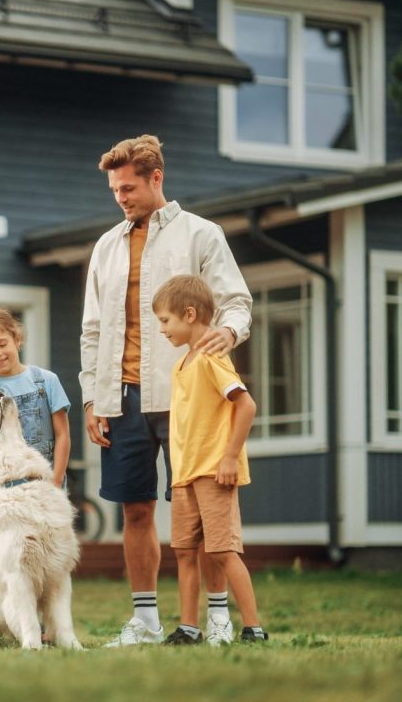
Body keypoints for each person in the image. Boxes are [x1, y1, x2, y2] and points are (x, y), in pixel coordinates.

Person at [80, 135, 253, 646]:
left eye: (128, 187)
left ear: (157, 178)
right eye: (114, 189)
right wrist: (93, 397)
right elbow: (92, 329)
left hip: (190, 400)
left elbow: (236, 301)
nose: (121, 197)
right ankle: (146, 622)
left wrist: (232, 330)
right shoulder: (105, 246)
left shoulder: (202, 234)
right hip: (121, 398)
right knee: (135, 509)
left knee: (203, 515)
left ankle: (216, 618)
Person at [152, 275, 267, 645]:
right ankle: (188, 628)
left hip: (214, 472)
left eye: (165, 321)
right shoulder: (182, 364)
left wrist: (230, 457)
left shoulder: (211, 357)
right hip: (184, 474)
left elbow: (246, 405)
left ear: (189, 314)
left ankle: (253, 628)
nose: (162, 329)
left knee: (222, 551)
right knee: (185, 552)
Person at [0, 308, 71, 489]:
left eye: (2, 344)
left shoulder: (47, 380)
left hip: (49, 481)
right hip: (10, 487)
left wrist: (57, 480)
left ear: (17, 340)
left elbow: (62, 435)